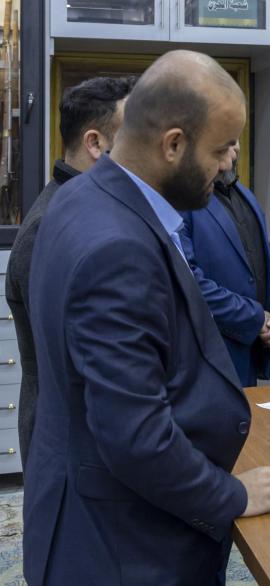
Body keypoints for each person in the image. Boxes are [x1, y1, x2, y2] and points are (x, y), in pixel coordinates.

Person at [24, 51, 270, 585]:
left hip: (89, 514)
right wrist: (233, 494)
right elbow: (135, 436)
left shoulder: (81, 193)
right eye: (220, 149)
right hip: (125, 547)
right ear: (173, 144)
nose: (227, 165)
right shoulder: (118, 248)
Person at [6, 75, 135, 471]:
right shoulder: (50, 227)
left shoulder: (91, 209)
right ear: (95, 143)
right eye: (134, 136)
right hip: (68, 447)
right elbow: (82, 361)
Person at [180, 142, 270, 387]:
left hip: (249, 355)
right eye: (224, 144)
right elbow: (189, 281)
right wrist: (254, 318)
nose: (233, 153)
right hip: (209, 359)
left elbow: (269, 260)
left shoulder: (245, 195)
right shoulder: (180, 201)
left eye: (235, 142)